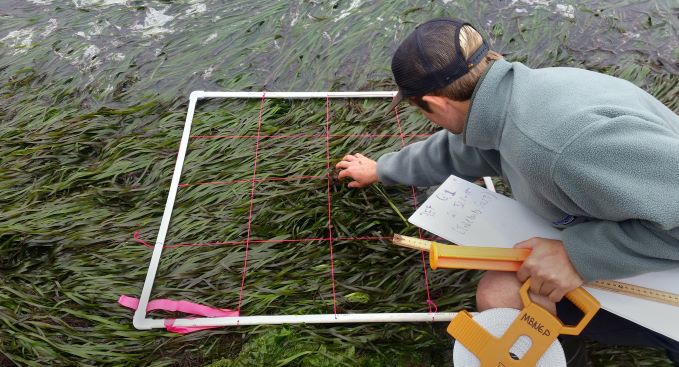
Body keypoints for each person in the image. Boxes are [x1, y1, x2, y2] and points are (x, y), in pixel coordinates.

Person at [335, 18, 679, 365]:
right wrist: (383, 169)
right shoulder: (513, 100)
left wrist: (579, 255)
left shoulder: (561, 147)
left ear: (436, 105)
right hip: (646, 231)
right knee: (502, 290)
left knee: (500, 297)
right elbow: (460, 150)